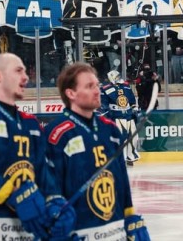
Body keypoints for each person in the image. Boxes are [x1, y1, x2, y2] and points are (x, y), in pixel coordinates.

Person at [0, 53, 75, 240]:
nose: (26, 77)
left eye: (25, 71)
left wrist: (55, 201)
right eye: (18, 70)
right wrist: (15, 192)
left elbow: (43, 173)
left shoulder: (31, 124)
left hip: (23, 230)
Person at [44, 63, 150, 240]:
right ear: (71, 93)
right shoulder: (56, 134)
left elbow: (121, 181)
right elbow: (48, 188)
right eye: (89, 86)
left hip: (114, 231)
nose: (97, 91)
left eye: (96, 85)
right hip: (80, 230)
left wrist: (130, 216)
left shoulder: (110, 130)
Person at [100, 69, 140, 164]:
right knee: (120, 138)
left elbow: (132, 100)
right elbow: (103, 104)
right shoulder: (105, 89)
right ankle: (119, 158)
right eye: (117, 76)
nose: (119, 78)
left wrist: (134, 109)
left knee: (133, 137)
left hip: (128, 115)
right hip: (116, 116)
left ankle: (130, 157)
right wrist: (108, 114)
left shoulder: (126, 87)